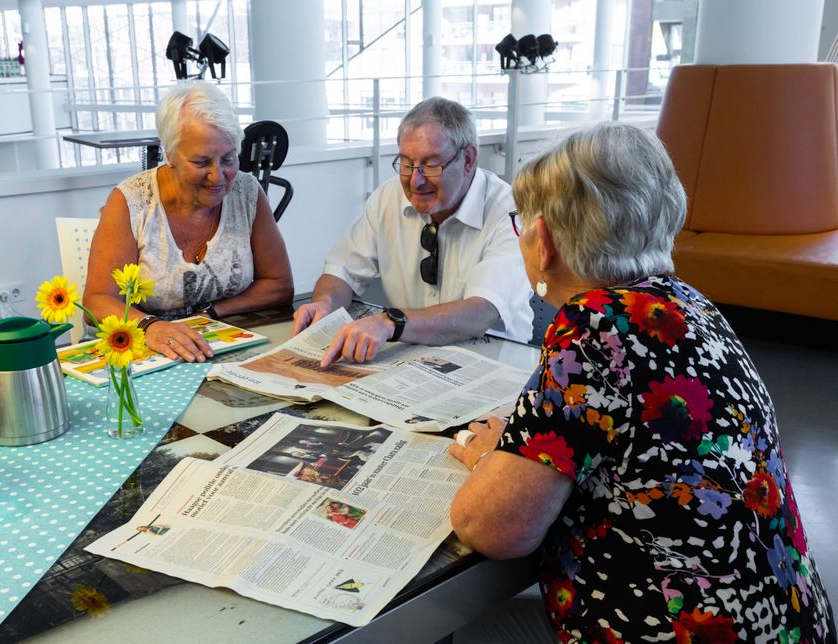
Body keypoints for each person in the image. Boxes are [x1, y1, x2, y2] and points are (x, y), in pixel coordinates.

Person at [448, 122, 835, 641]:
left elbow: (492, 528)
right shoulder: (685, 303)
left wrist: (488, 459)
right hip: (786, 621)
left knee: (464, 634)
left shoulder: (594, 326)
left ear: (543, 242)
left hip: (687, 628)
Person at [292, 96, 534, 367]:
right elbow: (341, 272)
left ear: (468, 159)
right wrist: (325, 304)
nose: (415, 181)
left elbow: (480, 312)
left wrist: (390, 323)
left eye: (431, 164)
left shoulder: (511, 212)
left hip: (492, 364)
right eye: (406, 164)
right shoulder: (388, 197)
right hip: (412, 359)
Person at [84, 82, 294, 363]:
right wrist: (150, 326)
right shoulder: (131, 201)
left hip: (221, 345)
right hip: (148, 352)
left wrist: (211, 311)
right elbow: (97, 299)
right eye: (201, 162)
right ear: (169, 154)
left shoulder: (247, 192)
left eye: (228, 159)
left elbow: (279, 284)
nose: (218, 176)